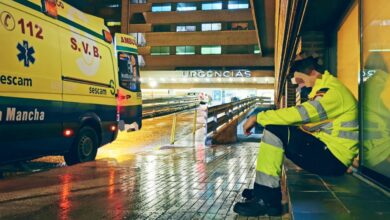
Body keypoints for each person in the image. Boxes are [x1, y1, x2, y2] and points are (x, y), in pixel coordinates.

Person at [233, 54, 359, 216]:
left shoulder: (332, 92)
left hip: (333, 159)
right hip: (331, 155)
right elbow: (307, 125)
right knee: (278, 129)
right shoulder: (326, 90)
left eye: (300, 81)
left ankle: (266, 197)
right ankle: (266, 191)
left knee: (275, 130)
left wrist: (258, 117)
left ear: (313, 73)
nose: (299, 86)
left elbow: (300, 115)